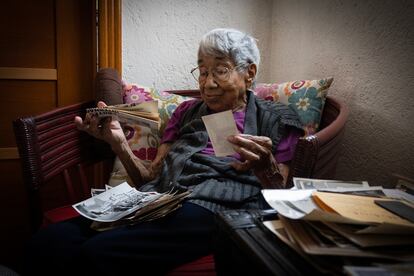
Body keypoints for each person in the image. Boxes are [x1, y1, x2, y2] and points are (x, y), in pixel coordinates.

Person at [24, 28, 303, 275]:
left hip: (218, 209)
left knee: (98, 253)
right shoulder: (186, 112)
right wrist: (119, 144)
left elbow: (280, 195)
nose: (208, 84)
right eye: (203, 72)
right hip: (159, 198)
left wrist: (264, 166)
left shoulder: (277, 118)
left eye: (220, 70)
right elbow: (151, 176)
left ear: (249, 73)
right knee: (50, 241)